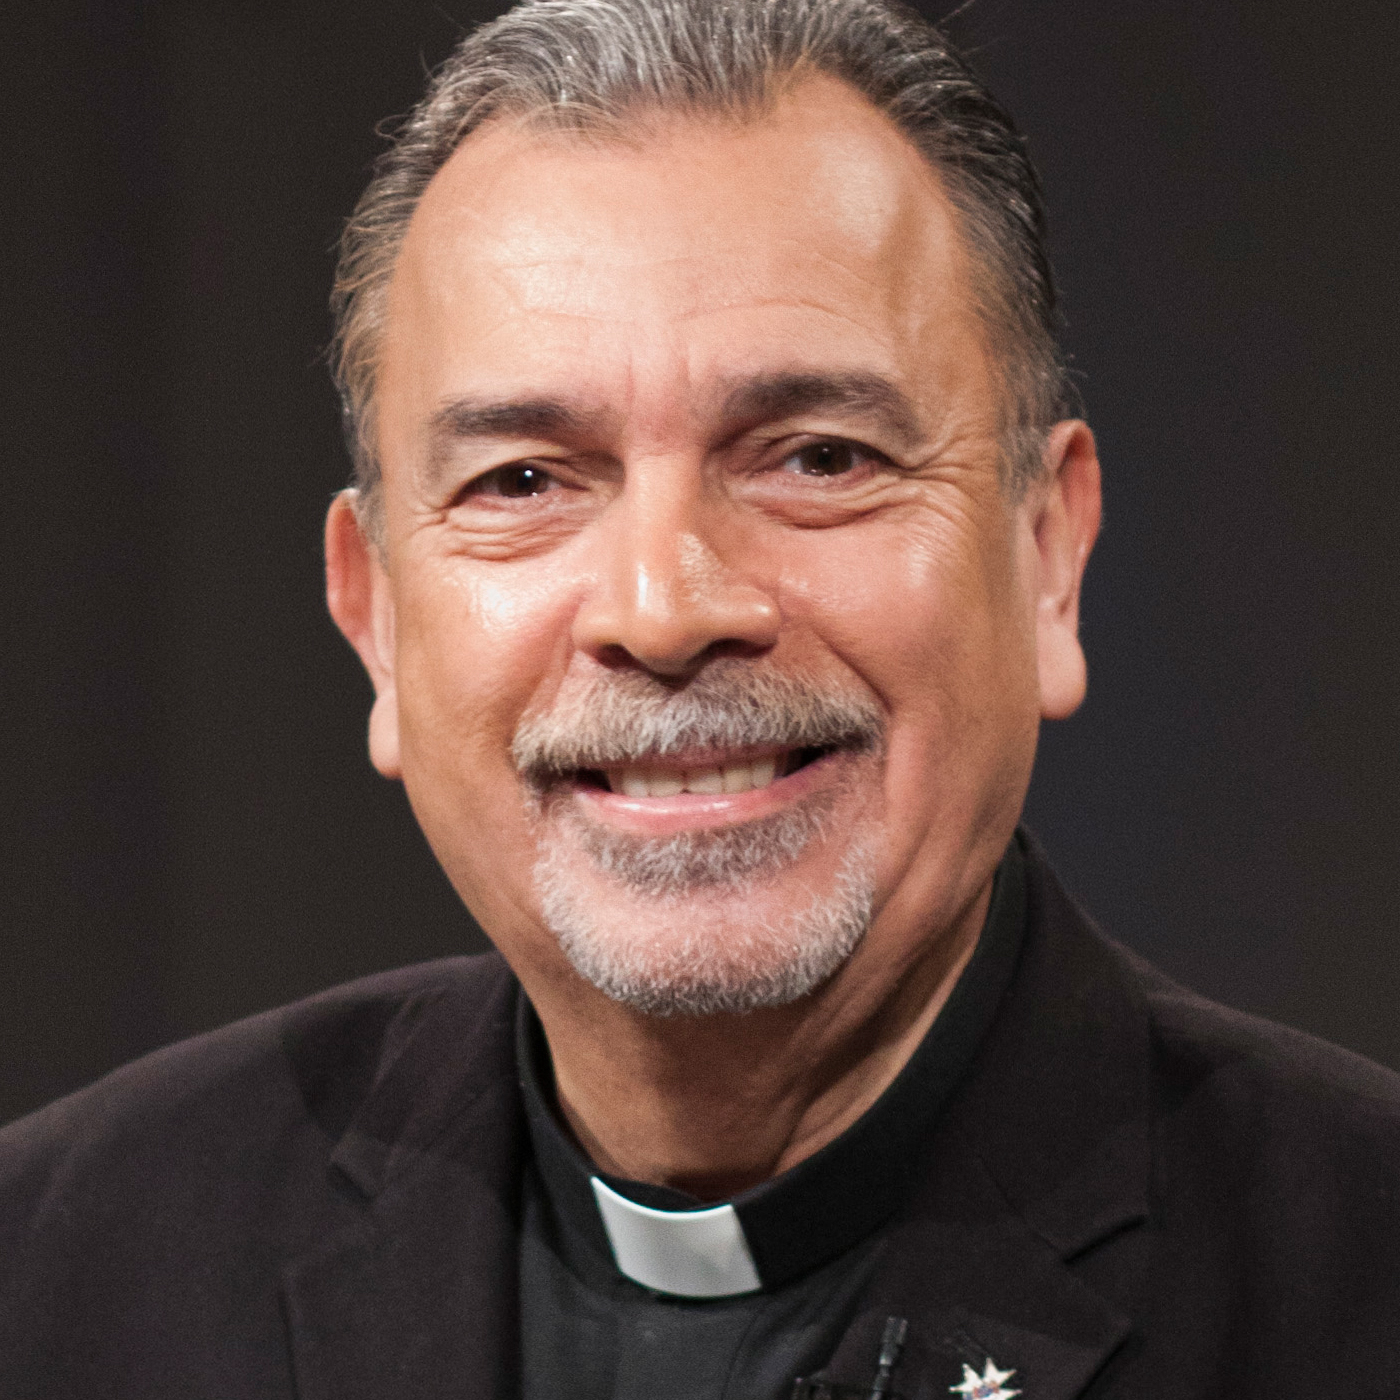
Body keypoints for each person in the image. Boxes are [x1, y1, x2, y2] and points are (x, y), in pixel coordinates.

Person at [3, 0, 1398, 1395]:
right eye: (523, 482)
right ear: (376, 621)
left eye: (818, 458)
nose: (664, 611)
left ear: (1046, 557)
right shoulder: (61, 1275)